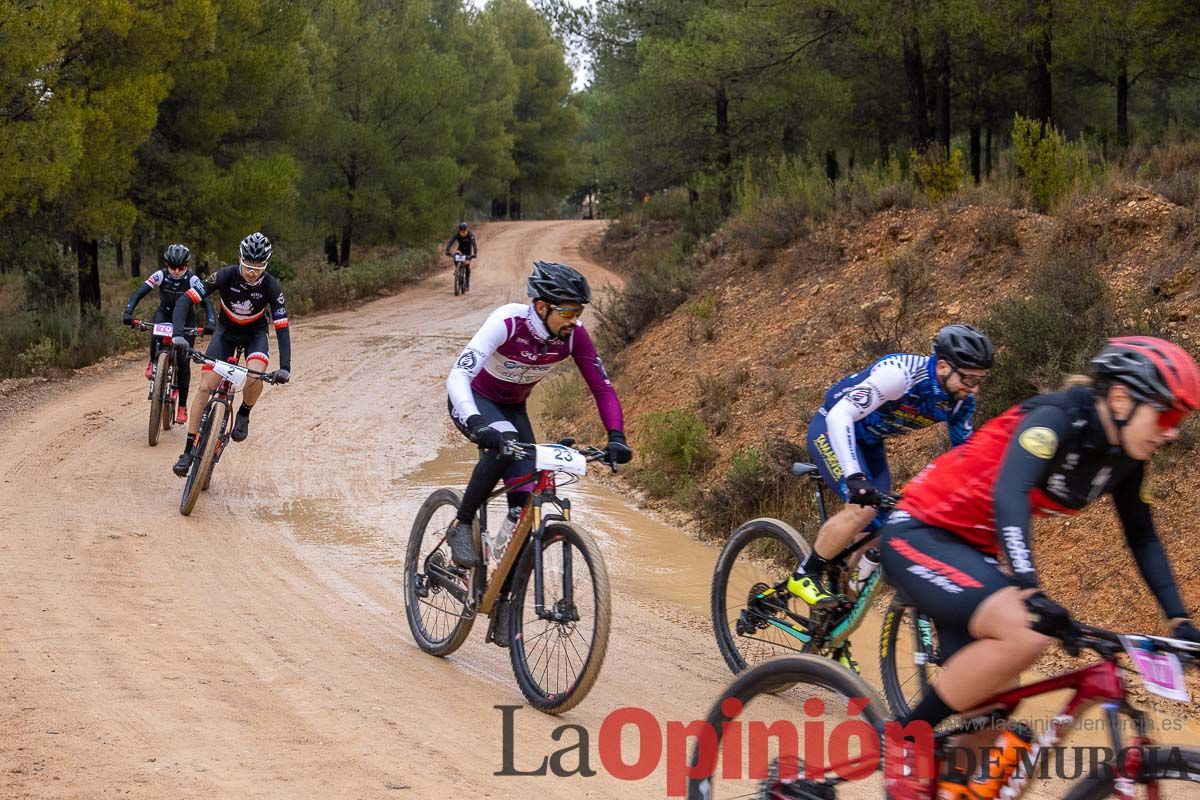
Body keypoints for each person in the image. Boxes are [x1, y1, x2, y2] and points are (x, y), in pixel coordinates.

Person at [880, 336, 1200, 799]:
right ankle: (908, 737)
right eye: (1167, 415)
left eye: (1182, 421)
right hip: (921, 531)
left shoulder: (1126, 458)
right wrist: (1031, 589)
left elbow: (1143, 535)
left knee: (988, 719)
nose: (1172, 432)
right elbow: (1010, 490)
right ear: (1119, 397)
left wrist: (1180, 621)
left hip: (973, 553)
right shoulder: (1056, 418)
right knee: (1027, 630)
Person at [445, 261, 632, 641]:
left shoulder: (573, 337)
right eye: (566, 311)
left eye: (578, 312)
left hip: (514, 407)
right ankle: (461, 524)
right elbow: (459, 375)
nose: (573, 320)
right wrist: (478, 424)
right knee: (503, 445)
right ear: (542, 306)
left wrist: (616, 436)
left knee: (523, 509)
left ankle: (502, 602)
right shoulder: (508, 322)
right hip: (476, 401)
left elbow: (602, 388)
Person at [788, 325, 994, 607]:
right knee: (863, 508)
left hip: (870, 444)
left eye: (980, 380)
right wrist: (855, 476)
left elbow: (965, 461)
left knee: (884, 528)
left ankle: (836, 622)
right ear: (944, 366)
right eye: (969, 378)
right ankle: (805, 574)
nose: (973, 388)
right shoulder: (901, 375)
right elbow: (841, 415)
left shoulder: (960, 403)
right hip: (832, 428)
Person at [169, 232, 291, 477]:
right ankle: (187, 450)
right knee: (205, 388)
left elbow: (282, 326)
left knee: (256, 374)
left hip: (254, 334)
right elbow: (185, 300)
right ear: (240, 260)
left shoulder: (271, 286)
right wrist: (178, 334)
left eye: (258, 267)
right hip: (225, 333)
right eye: (248, 266)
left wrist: (285, 366)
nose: (252, 272)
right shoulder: (225, 275)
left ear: (266, 265)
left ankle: (244, 413)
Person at [122, 244, 214, 424]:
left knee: (183, 360)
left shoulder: (192, 279)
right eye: (173, 267)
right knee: (156, 330)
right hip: (164, 313)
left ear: (187, 266)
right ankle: (153, 361)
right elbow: (140, 292)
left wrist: (211, 322)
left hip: (187, 320)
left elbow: (207, 302)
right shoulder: (160, 275)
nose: (177, 271)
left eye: (181, 267)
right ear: (167, 264)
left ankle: (182, 406)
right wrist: (128, 311)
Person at [445, 221, 477, 292]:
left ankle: (467, 283)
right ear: (459, 230)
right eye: (461, 230)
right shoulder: (457, 234)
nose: (463, 231)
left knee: (467, 266)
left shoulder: (470, 235)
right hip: (460, 250)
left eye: (464, 230)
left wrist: (474, 253)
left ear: (466, 229)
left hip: (468, 252)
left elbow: (474, 244)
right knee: (455, 256)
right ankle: (457, 269)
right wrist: (447, 250)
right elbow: (451, 241)